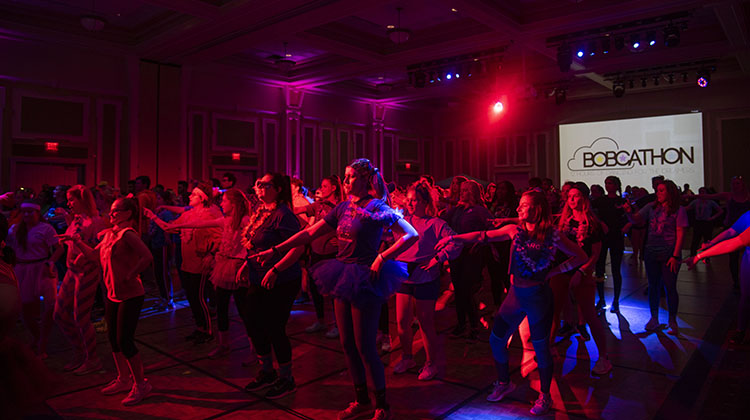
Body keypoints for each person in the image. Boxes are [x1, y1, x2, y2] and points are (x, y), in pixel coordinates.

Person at [252, 159, 418, 420]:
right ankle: (362, 400)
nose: (346, 181)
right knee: (347, 343)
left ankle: (382, 406)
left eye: (351, 176)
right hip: (342, 273)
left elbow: (411, 234)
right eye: (345, 176)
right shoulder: (342, 208)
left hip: (365, 276)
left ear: (365, 180)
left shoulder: (377, 207)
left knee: (365, 346)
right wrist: (275, 250)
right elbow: (309, 234)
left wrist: (382, 257)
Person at [436, 190, 587, 416]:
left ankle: (545, 395)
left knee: (541, 349)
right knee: (497, 340)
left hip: (538, 298)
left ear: (536, 209)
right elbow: (481, 236)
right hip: (515, 296)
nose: (518, 209)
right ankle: (504, 382)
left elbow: (580, 257)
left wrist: (555, 271)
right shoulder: (514, 231)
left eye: (524, 205)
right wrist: (453, 238)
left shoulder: (552, 235)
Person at [59, 197, 154, 405]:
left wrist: (131, 274)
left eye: (115, 211)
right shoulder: (110, 234)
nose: (110, 215)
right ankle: (123, 379)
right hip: (112, 293)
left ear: (128, 214)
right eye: (111, 211)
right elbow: (94, 256)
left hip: (131, 294)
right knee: (113, 338)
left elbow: (147, 256)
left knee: (125, 341)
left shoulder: (127, 234)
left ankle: (141, 384)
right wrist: (76, 241)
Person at [236, 174, 305, 399]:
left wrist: (277, 269)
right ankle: (267, 370)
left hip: (282, 279)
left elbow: (298, 247)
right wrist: (246, 266)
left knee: (275, 327)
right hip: (258, 276)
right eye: (258, 184)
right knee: (253, 322)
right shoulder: (261, 212)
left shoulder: (283, 215)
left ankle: (287, 378)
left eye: (265, 185)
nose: (259, 188)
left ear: (277, 189)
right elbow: (253, 245)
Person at [392, 181, 462, 381]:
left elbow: (455, 242)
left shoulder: (436, 223)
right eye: (409, 200)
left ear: (423, 201)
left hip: (425, 277)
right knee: (401, 322)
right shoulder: (403, 221)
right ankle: (407, 358)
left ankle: (431, 363)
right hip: (403, 274)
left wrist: (437, 259)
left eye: (414, 200)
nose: (411, 204)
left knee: (426, 323)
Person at [149, 182, 222, 343]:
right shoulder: (189, 214)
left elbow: (220, 237)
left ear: (202, 198)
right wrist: (153, 216)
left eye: (193, 194)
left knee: (199, 297)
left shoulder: (210, 215)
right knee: (192, 298)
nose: (189, 196)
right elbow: (170, 228)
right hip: (187, 262)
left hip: (200, 263)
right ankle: (199, 327)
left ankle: (207, 330)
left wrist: (211, 254)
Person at [553, 183, 612, 374]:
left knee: (589, 315)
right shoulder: (563, 222)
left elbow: (595, 254)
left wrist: (582, 272)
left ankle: (603, 357)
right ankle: (549, 349)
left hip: (582, 272)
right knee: (554, 311)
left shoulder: (592, 223)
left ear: (584, 198)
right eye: (569, 195)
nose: (571, 199)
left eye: (576, 195)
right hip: (562, 271)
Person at [51, 185, 107, 374]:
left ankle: (92, 359)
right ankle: (80, 352)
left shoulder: (96, 222)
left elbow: (94, 250)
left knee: (80, 317)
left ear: (82, 200)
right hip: (71, 272)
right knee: (59, 314)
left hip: (86, 273)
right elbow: (72, 238)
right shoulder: (76, 219)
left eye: (71, 199)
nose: (68, 203)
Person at [625, 180, 687, 334]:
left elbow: (681, 233)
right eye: (657, 190)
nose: (657, 193)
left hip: (669, 253)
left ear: (670, 192)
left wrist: (675, 255)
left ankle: (672, 320)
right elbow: (636, 219)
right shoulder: (651, 207)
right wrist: (627, 212)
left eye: (661, 190)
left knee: (670, 286)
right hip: (651, 251)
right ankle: (654, 318)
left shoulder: (678, 210)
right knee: (653, 286)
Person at [6, 199, 61, 357]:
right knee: (24, 308)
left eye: (30, 211)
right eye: (24, 212)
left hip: (41, 268)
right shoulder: (15, 229)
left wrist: (50, 262)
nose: (27, 215)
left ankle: (42, 342)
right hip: (22, 269)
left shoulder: (46, 229)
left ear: (37, 213)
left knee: (47, 307)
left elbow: (59, 248)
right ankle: (37, 337)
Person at [687, 209, 750, 344]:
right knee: (746, 297)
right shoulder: (747, 216)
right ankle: (741, 330)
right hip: (748, 261)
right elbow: (731, 234)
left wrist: (700, 255)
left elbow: (734, 243)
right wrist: (710, 246)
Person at [441, 179, 493, 340]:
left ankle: (474, 326)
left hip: (472, 255)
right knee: (459, 290)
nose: (461, 193)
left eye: (464, 190)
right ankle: (461, 324)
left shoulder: (479, 210)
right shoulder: (458, 209)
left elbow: (492, 227)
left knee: (467, 290)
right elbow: (443, 220)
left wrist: (479, 243)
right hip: (456, 253)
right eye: (461, 190)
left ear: (472, 193)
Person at [296, 175, 344, 338]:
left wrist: (341, 237)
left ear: (333, 188)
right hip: (316, 250)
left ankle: (338, 324)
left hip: (331, 253)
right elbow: (298, 211)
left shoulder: (339, 206)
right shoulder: (317, 205)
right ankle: (321, 320)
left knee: (333, 290)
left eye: (325, 186)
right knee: (315, 286)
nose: (321, 189)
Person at [593, 175, 628, 313]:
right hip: (603, 236)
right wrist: (601, 223)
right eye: (606, 183)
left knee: (616, 269)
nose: (608, 186)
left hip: (616, 236)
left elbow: (632, 216)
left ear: (616, 185)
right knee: (600, 268)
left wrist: (627, 226)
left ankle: (616, 301)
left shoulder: (622, 201)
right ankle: (601, 299)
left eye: (610, 183)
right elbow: (591, 212)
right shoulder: (601, 200)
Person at [686, 187, 723, 258]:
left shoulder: (710, 202)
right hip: (698, 222)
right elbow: (687, 208)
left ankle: (707, 256)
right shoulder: (696, 201)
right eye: (700, 192)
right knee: (695, 239)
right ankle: (692, 256)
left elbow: (720, 210)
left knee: (707, 240)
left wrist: (712, 217)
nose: (702, 194)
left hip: (707, 223)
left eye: (703, 192)